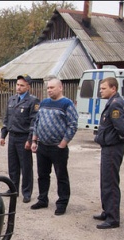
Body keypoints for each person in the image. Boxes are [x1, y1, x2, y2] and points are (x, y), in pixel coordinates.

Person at [30, 76, 78, 215]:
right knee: (42, 175)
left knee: (61, 176)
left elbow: (73, 125)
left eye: (52, 87)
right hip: (42, 146)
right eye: (48, 88)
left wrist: (63, 144)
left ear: (60, 87)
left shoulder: (67, 104)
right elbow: (37, 122)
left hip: (58, 148)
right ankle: (42, 199)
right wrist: (34, 140)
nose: (49, 90)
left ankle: (62, 203)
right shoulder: (44, 103)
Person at [92, 77, 124, 229]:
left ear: (113, 89)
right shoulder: (112, 102)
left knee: (110, 182)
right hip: (107, 147)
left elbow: (120, 127)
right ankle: (107, 211)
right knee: (105, 181)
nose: (101, 91)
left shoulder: (115, 104)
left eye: (103, 88)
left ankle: (113, 218)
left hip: (113, 148)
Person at [0, 74, 40, 203]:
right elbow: (7, 119)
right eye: (17, 85)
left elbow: (34, 122)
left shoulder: (33, 101)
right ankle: (13, 189)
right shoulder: (11, 99)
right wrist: (3, 135)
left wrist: (30, 140)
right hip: (12, 136)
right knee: (13, 166)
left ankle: (26, 193)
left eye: (22, 85)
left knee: (26, 167)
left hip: (24, 138)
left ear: (28, 87)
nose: (19, 87)